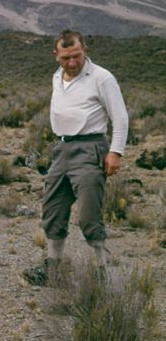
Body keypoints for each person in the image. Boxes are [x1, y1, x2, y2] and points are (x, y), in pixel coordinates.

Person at [23, 30, 129, 286]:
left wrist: (115, 151)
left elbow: (121, 117)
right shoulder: (57, 77)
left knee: (88, 216)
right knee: (53, 209)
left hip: (90, 149)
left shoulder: (102, 78)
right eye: (66, 57)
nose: (72, 63)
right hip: (62, 149)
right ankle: (53, 270)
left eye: (77, 56)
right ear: (56, 56)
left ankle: (103, 271)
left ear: (85, 51)